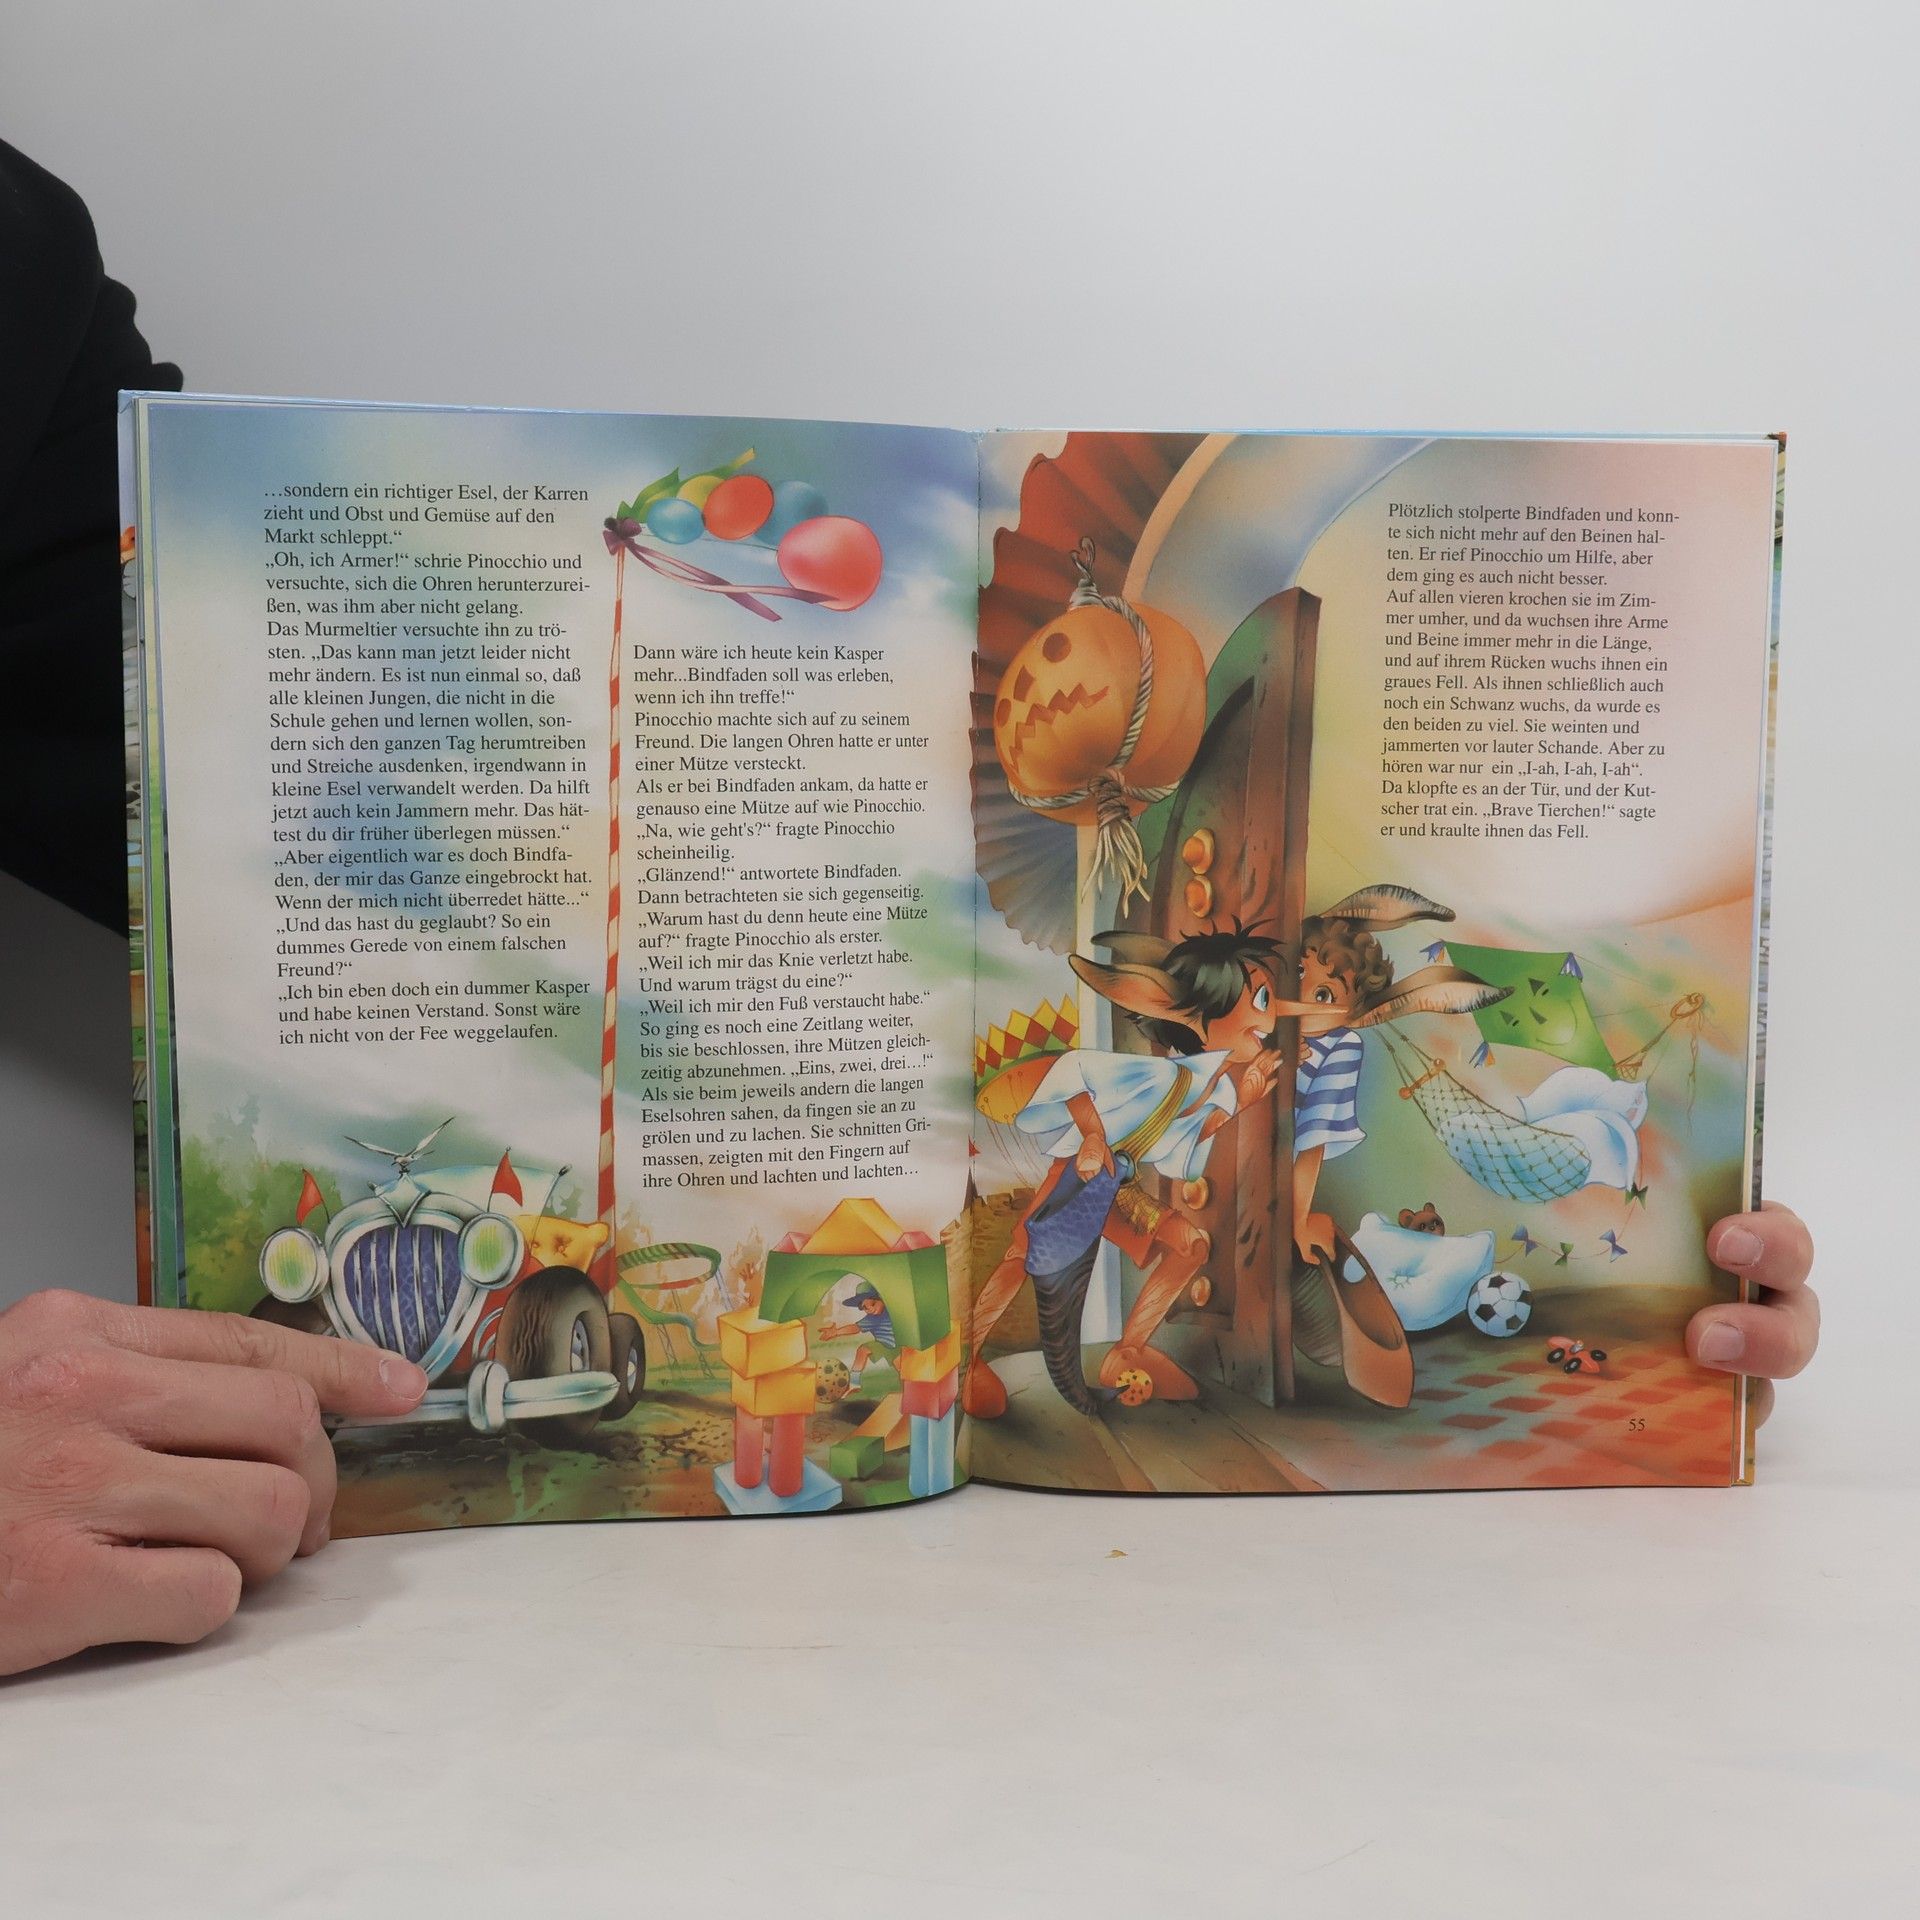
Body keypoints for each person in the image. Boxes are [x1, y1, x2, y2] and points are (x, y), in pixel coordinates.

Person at [0, 141, 1821, 1679]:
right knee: (1082, 1257)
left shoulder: (30, 285)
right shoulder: (1158, 1039)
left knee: (1177, 1248)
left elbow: (209, 771)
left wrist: (1673, 1275)